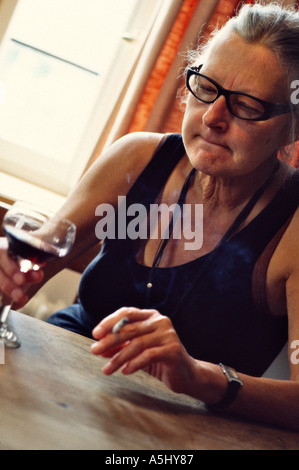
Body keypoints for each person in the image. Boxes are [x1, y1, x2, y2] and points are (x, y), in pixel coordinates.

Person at [1, 1, 299, 430]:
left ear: (292, 126)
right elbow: (31, 267)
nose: (213, 117)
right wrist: (7, 271)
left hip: (185, 433)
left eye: (247, 106)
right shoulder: (138, 157)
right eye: (206, 87)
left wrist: (199, 377)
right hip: (60, 385)